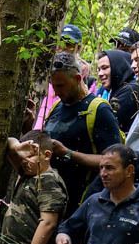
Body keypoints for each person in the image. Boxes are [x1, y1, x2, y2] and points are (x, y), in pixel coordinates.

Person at [44, 52, 123, 202]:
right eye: (54, 86)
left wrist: (67, 153)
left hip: (81, 200)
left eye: (61, 86)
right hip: (50, 197)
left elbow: (113, 161)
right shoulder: (57, 106)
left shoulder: (99, 110)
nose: (57, 92)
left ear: (78, 78)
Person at [1, 133, 68, 244]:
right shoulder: (28, 173)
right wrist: (19, 148)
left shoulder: (49, 180)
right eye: (23, 156)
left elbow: (48, 223)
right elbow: (8, 143)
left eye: (31, 156)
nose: (25, 161)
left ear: (47, 155)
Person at [34, 25, 93, 130]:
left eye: (68, 44)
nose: (63, 48)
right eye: (61, 43)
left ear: (78, 48)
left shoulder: (86, 78)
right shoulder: (52, 69)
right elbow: (45, 107)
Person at [96, 49, 139, 133]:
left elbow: (105, 125)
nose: (100, 74)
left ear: (118, 66)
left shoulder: (131, 90)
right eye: (98, 70)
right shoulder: (117, 90)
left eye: (105, 68)